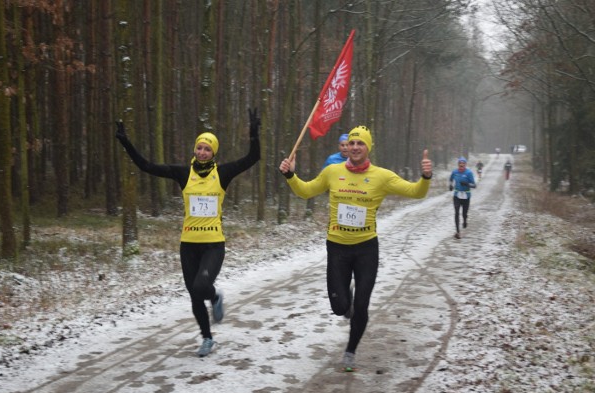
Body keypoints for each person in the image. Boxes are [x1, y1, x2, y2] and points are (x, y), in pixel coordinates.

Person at [278, 126, 432, 371]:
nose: (356, 147)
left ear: (368, 147)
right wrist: (291, 176)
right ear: (346, 147)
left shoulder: (382, 176)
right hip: (337, 248)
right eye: (352, 143)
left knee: (362, 304)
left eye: (361, 143)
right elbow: (305, 190)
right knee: (340, 307)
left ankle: (350, 350)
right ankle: (345, 302)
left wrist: (425, 178)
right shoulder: (332, 171)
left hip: (366, 250)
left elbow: (416, 193)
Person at [115, 109, 261, 357]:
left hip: (214, 243)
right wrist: (126, 142)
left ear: (213, 152)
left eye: (207, 148)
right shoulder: (184, 173)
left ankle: (215, 296)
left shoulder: (222, 173)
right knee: (194, 294)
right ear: (195, 150)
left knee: (202, 285)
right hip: (188, 244)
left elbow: (252, 158)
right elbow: (147, 166)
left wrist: (254, 134)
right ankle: (207, 338)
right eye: (199, 148)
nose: (202, 152)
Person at [449, 157, 476, 239]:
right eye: (460, 164)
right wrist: (450, 185)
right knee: (456, 212)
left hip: (466, 196)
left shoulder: (469, 173)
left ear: (465, 165)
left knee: (464, 213)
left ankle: (465, 220)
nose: (461, 165)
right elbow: (451, 179)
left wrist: (467, 184)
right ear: (458, 164)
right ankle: (458, 232)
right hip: (457, 195)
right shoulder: (455, 172)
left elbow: (474, 185)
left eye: (463, 164)